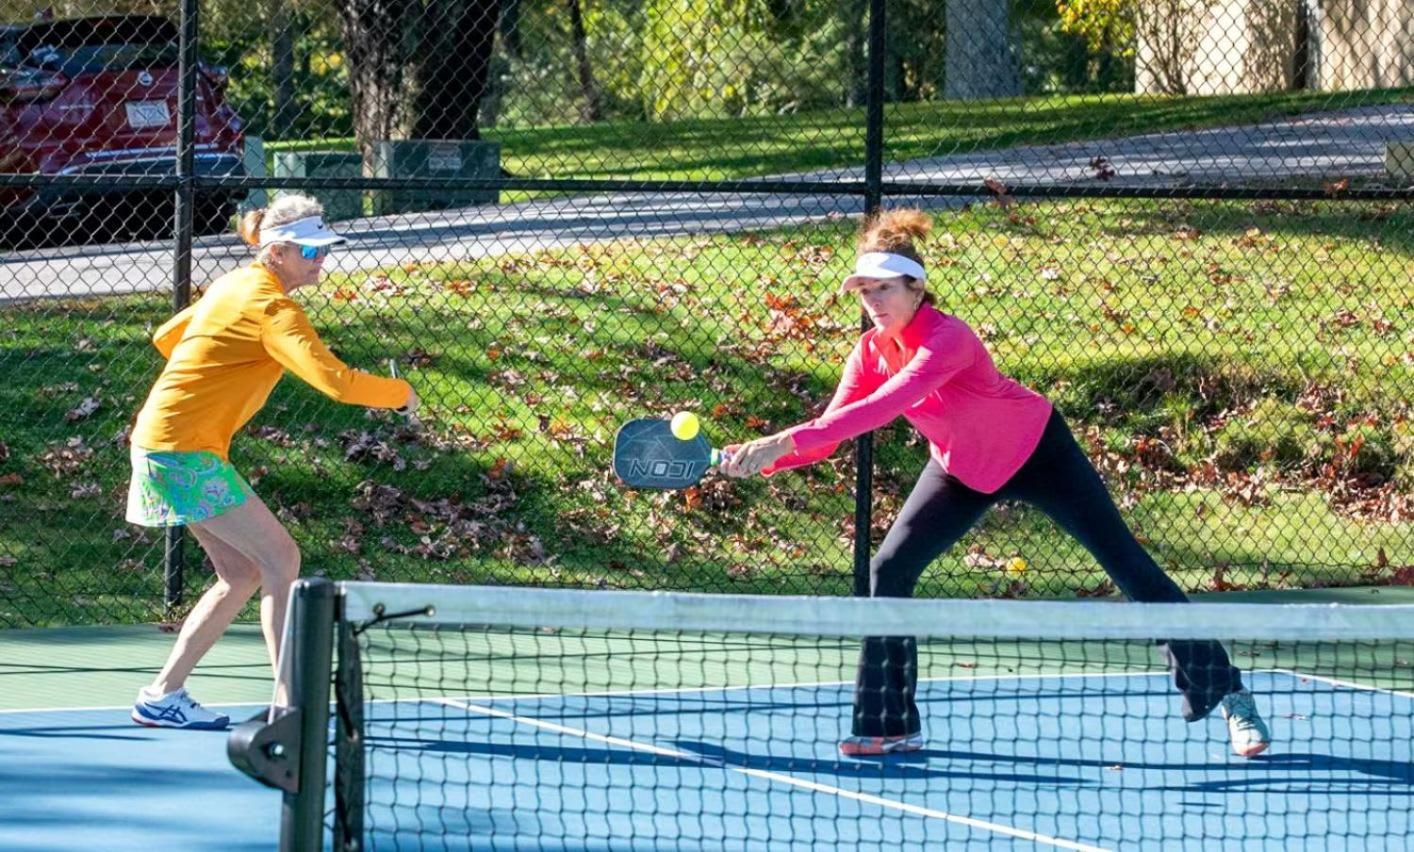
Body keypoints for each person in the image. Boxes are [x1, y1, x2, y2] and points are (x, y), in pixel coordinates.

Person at [720, 209, 1271, 759]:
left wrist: (779, 442)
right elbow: (829, 435)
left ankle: (1229, 694)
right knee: (889, 568)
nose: (873, 302)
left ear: (916, 289)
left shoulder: (948, 339)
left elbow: (883, 408)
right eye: (864, 291)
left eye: (884, 289)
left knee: (1129, 566)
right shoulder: (868, 352)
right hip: (961, 469)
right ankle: (888, 723)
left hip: (1038, 452)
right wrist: (758, 459)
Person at [126, 195, 416, 729]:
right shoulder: (273, 308)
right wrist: (400, 393)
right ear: (278, 251)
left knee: (241, 573)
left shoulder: (235, 284)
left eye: (324, 250)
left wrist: (216, 369)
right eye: (310, 250)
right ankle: (291, 702)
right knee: (281, 559)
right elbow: (335, 381)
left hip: (169, 442)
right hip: (181, 449)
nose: (320, 260)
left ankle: (162, 694)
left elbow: (167, 337)